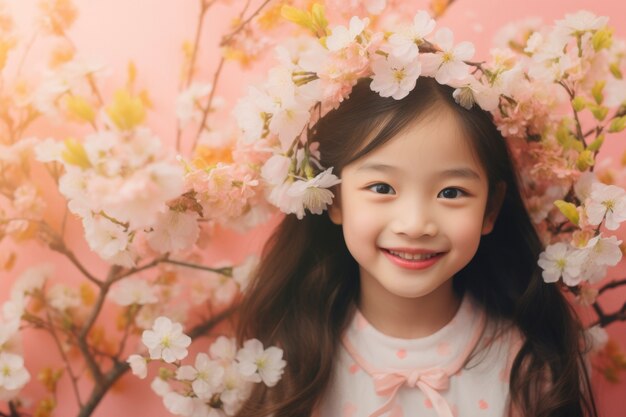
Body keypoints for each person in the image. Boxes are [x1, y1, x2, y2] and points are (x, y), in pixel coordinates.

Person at [234, 75, 598, 417]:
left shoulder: (527, 361)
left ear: (490, 208)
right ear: (335, 198)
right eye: (382, 188)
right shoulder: (292, 356)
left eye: (451, 192)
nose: (415, 225)